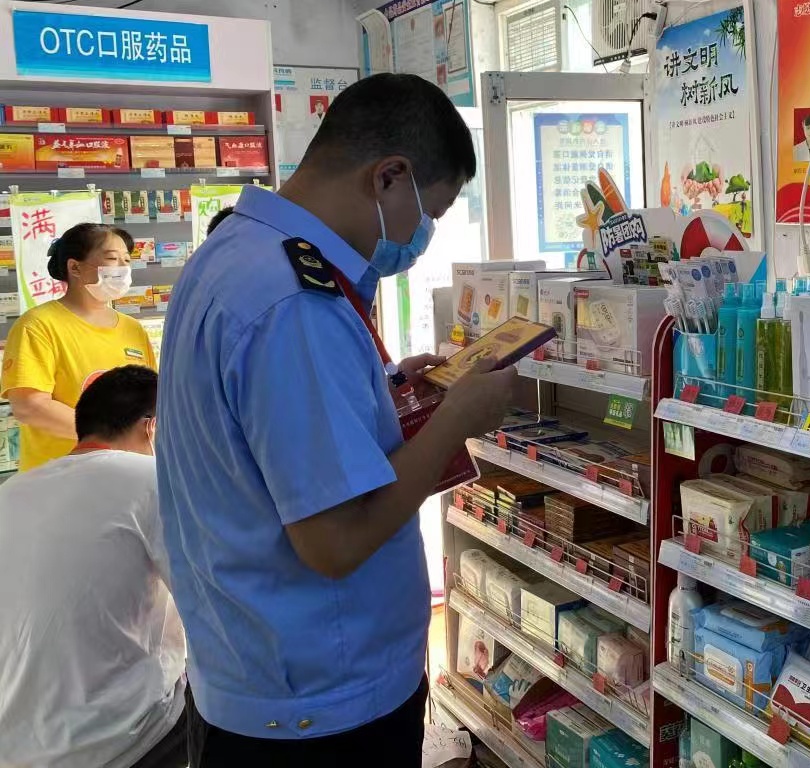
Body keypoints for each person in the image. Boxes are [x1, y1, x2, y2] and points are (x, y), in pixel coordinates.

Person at [156, 72, 517, 766]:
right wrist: (457, 419)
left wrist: (386, 388)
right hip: (319, 710)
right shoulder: (295, 303)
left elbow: (259, 434)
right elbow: (335, 541)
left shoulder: (234, 254)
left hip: (249, 672)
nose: (421, 236)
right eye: (431, 213)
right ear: (389, 177)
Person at [0, 365, 187, 768]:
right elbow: (209, 602)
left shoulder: (11, 492)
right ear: (153, 428)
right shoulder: (152, 479)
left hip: (15, 746)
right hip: (120, 739)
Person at [1, 223, 157, 471]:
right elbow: (30, 407)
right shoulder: (38, 325)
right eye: (112, 259)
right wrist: (109, 438)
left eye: (127, 260)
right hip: (60, 477)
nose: (122, 268)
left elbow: (150, 401)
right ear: (74, 267)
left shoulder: (133, 329)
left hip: (126, 473)